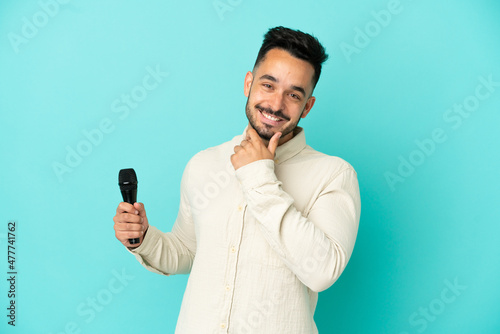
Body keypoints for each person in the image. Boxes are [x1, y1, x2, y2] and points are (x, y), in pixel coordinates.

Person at [113, 26, 361, 333]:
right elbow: (187, 252)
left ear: (307, 106)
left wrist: (258, 175)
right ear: (248, 83)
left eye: (293, 94)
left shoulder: (333, 175)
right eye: (268, 85)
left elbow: (322, 271)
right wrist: (143, 237)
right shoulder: (203, 164)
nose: (276, 104)